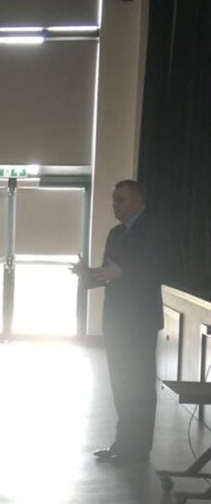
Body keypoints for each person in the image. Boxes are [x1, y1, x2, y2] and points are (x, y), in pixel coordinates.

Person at [72, 180, 170, 464]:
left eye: (121, 200)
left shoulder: (154, 230)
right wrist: (86, 274)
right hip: (115, 319)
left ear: (139, 200)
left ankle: (139, 449)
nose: (115, 205)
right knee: (120, 382)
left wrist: (123, 274)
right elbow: (108, 274)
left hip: (140, 321)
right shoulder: (116, 233)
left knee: (138, 384)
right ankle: (122, 443)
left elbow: (160, 268)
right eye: (114, 200)